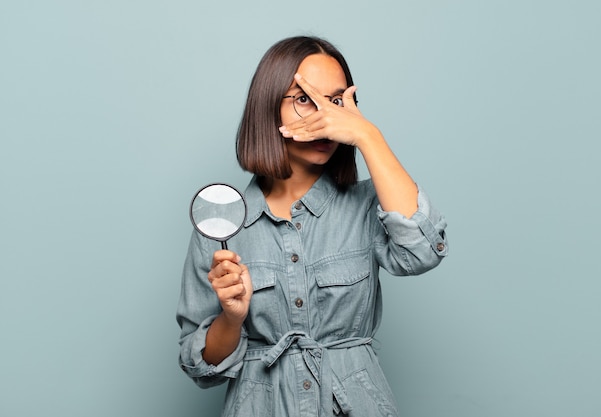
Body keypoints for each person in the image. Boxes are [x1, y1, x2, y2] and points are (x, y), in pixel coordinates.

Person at [176, 36, 448, 417]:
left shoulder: (369, 204)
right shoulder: (223, 225)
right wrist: (232, 319)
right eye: (304, 99)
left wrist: (368, 135)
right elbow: (200, 366)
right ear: (268, 108)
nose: (325, 116)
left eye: (336, 102)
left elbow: (422, 252)